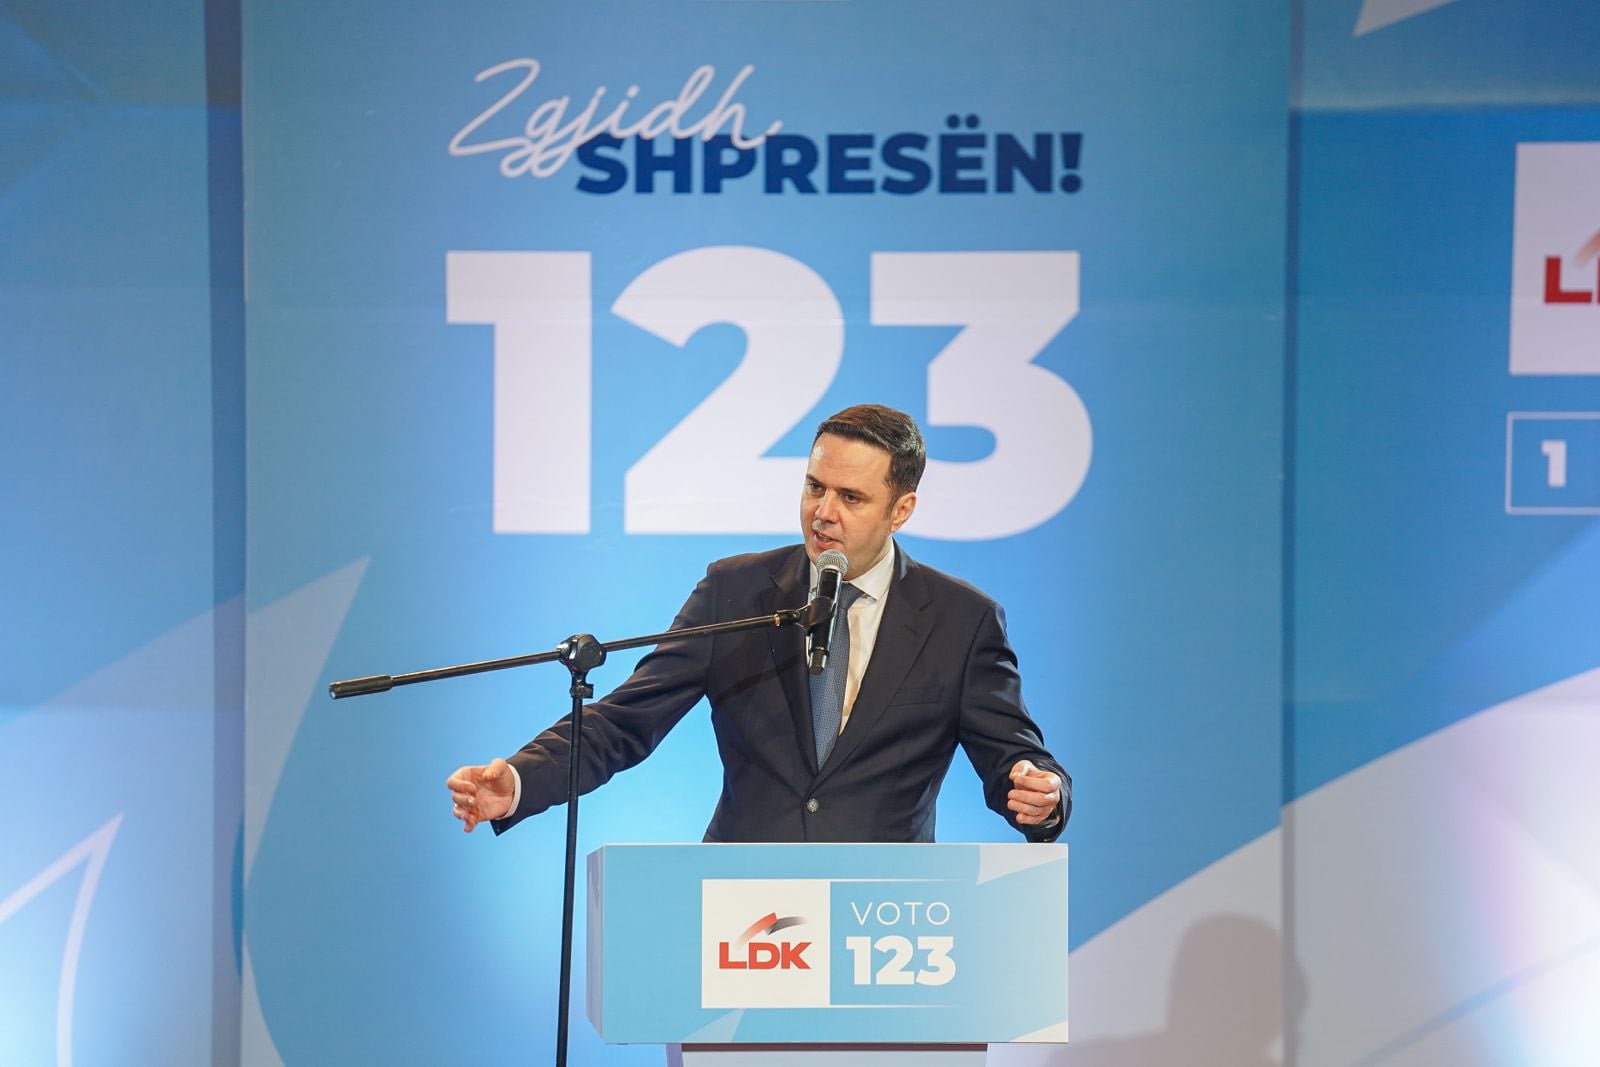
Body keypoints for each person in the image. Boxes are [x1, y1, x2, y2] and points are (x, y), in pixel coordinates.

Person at [446, 403, 1069, 842]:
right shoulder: (737, 592)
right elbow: (625, 720)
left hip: (883, 918)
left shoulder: (961, 620)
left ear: (901, 509)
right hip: (741, 913)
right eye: (814, 487)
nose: (823, 512)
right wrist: (522, 779)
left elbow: (1014, 757)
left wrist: (1041, 796)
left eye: (851, 498)